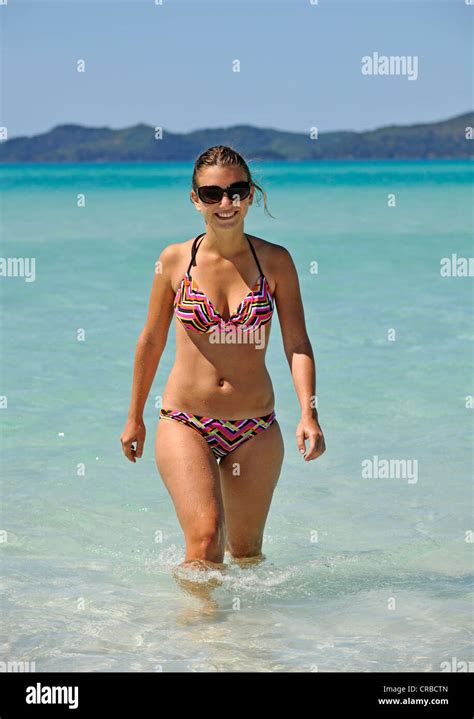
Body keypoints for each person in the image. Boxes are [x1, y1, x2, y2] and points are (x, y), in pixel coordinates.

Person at [120, 145, 326, 581]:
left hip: (255, 428)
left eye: (237, 190)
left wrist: (308, 412)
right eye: (212, 194)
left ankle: (242, 645)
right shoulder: (175, 260)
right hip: (185, 421)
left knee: (247, 555)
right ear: (196, 199)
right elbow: (152, 339)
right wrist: (134, 417)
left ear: (251, 194)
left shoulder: (276, 261)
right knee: (205, 541)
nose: (226, 203)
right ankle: (201, 635)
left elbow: (297, 342)